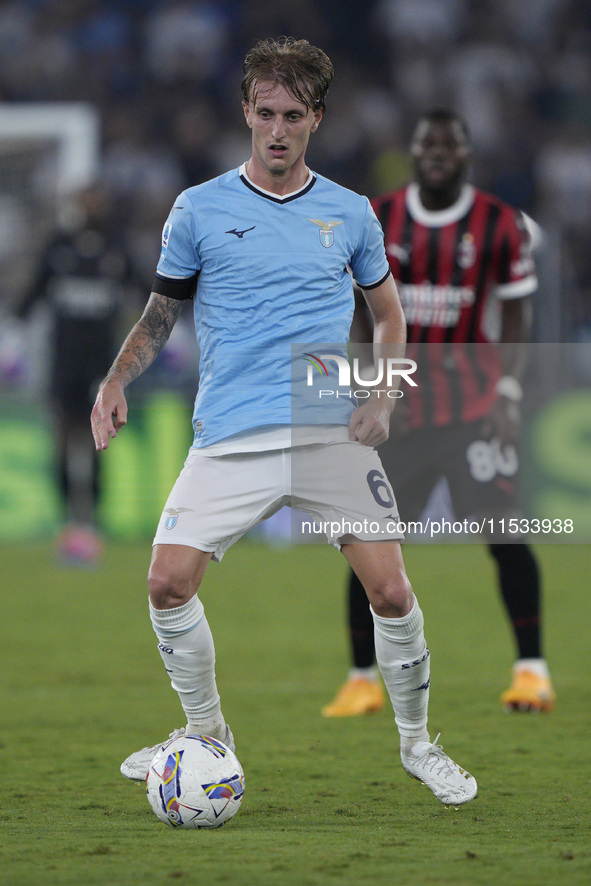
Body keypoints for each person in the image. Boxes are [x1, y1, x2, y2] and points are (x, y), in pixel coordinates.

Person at [91, 40, 477, 806]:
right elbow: (161, 314)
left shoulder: (350, 212)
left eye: (291, 116)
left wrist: (385, 396)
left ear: (315, 120)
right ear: (245, 113)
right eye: (263, 113)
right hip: (230, 432)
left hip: (327, 427)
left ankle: (416, 745)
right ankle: (207, 733)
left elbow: (390, 315)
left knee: (392, 594)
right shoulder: (198, 208)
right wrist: (115, 379)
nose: (275, 129)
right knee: (167, 583)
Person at [323, 109, 555, 719]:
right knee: (367, 540)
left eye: (449, 146)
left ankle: (532, 672)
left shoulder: (499, 224)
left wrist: (507, 392)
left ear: (466, 155)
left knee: (505, 532)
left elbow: (514, 317)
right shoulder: (379, 217)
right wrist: (360, 383)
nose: (437, 154)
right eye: (428, 144)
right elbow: (356, 308)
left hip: (473, 410)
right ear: (414, 151)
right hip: (398, 412)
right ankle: (360, 680)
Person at [18, 184, 137, 563]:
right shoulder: (59, 245)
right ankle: (68, 520)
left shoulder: (117, 247)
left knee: (98, 442)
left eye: (97, 198)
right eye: (86, 198)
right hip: (64, 362)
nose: (91, 205)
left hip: (103, 366)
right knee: (63, 438)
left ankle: (93, 521)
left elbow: (150, 295)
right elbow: (30, 297)